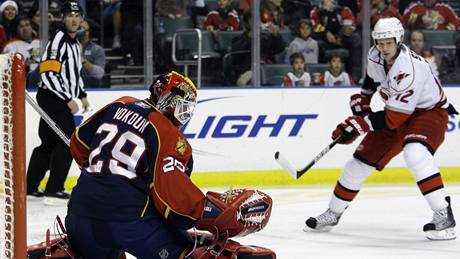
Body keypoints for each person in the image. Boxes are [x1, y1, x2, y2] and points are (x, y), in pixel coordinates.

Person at [65, 71, 274, 258]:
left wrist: (105, 173)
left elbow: (79, 142)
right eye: (183, 106)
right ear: (167, 98)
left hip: (78, 217)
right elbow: (172, 199)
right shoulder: (166, 132)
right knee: (190, 251)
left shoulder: (120, 104)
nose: (184, 115)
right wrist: (212, 214)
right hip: (128, 222)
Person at [305, 17, 457, 240]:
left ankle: (444, 215)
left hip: (429, 113)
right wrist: (363, 99)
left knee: (415, 153)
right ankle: (333, 213)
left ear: (398, 40)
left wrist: (358, 124)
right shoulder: (375, 54)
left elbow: (394, 119)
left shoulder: (410, 68)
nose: (384, 48)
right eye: (380, 42)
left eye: (388, 42)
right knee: (357, 164)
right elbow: (371, 79)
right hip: (396, 113)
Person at [26, 1, 90, 203]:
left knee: (48, 143)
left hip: (56, 98)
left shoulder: (75, 44)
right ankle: (54, 187)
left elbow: (76, 73)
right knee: (68, 141)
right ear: (63, 18)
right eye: (69, 15)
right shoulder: (58, 41)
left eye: (77, 15)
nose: (74, 19)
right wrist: (66, 99)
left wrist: (82, 94)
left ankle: (29, 186)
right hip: (52, 98)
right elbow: (48, 74)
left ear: (81, 19)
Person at [79, 19, 106, 87]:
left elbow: (99, 74)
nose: (84, 33)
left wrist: (81, 59)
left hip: (90, 87)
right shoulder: (67, 47)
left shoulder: (97, 49)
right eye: (81, 29)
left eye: (86, 30)